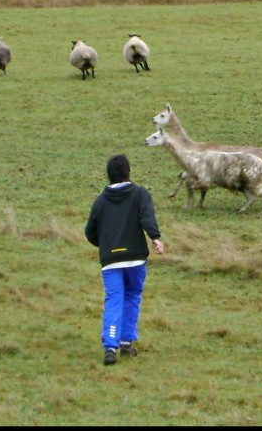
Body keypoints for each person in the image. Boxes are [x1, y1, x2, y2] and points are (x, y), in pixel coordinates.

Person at [84, 154, 164, 366]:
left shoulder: (100, 202)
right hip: (136, 259)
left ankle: (110, 347)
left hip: (110, 261)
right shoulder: (140, 194)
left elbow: (90, 231)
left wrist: (105, 245)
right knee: (132, 297)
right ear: (128, 171)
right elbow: (147, 218)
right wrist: (155, 238)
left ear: (109, 174)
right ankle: (126, 342)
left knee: (114, 300)